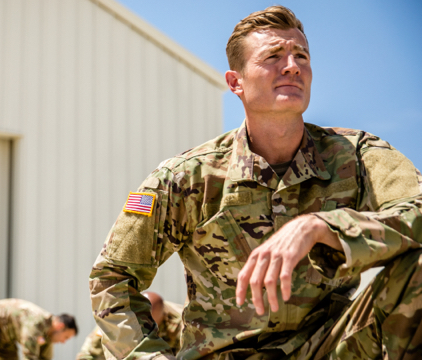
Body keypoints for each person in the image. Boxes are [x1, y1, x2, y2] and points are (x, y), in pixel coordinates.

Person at [89, 5, 422, 360]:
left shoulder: (355, 155)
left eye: (301, 56)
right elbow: (112, 276)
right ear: (236, 82)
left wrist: (325, 226)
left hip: (332, 348)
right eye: (274, 56)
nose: (292, 66)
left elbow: (416, 208)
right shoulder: (187, 177)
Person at [76, 292, 183, 360]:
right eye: (143, 324)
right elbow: (92, 350)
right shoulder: (122, 317)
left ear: (162, 316)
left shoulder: (181, 322)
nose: (147, 328)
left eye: (151, 324)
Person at [0, 298, 78, 360]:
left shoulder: (48, 334)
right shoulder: (37, 322)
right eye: (66, 337)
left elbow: (45, 358)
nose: (64, 342)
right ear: (60, 326)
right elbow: (29, 356)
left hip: (5, 337)